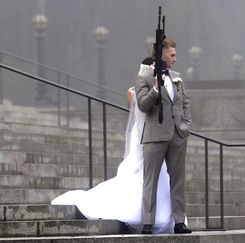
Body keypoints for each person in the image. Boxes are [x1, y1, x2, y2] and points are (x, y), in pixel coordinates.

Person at [51, 60, 175, 234]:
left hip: (155, 136)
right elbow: (140, 108)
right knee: (140, 173)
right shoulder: (135, 92)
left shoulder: (160, 87)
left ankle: (161, 212)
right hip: (143, 134)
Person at [135, 37, 192, 234]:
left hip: (178, 134)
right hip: (155, 135)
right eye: (172, 54)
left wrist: (186, 125)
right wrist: (156, 89)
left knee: (178, 179)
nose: (175, 58)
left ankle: (179, 221)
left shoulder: (177, 76)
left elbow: (184, 102)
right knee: (150, 180)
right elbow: (142, 105)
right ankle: (148, 221)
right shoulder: (144, 77)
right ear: (162, 55)